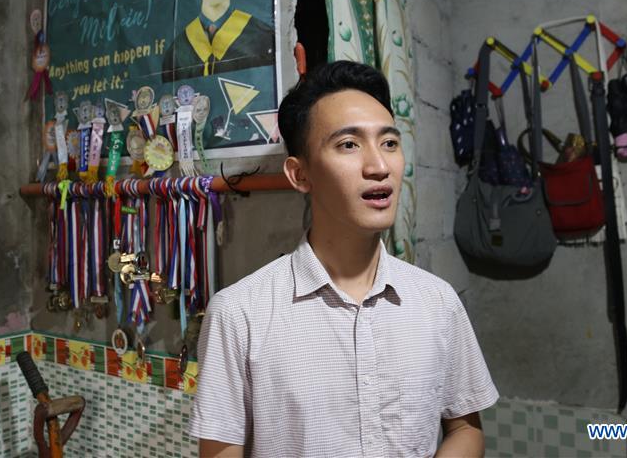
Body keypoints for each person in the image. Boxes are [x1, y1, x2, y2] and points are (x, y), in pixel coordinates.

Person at [189, 61, 498, 457]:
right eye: (349, 144)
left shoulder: (437, 301)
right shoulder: (239, 314)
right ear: (300, 175)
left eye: (389, 143)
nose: (379, 167)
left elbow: (465, 429)